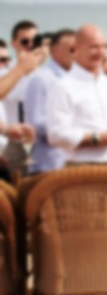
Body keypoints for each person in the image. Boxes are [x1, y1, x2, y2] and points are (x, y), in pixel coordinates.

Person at [45, 25, 107, 165]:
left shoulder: (104, 82)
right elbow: (55, 135)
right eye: (94, 47)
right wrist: (97, 139)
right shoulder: (63, 87)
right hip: (82, 168)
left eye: (104, 47)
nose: (101, 52)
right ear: (76, 48)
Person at [25, 29, 76, 173]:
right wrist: (77, 132)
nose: (76, 54)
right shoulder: (42, 79)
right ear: (54, 50)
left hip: (73, 163)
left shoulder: (77, 80)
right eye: (71, 49)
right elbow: (37, 124)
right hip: (49, 164)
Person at [0, 20, 47, 178]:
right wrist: (22, 68)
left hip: (42, 143)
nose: (30, 45)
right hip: (14, 141)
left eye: (36, 41)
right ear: (14, 43)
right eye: (25, 41)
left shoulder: (47, 75)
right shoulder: (6, 73)